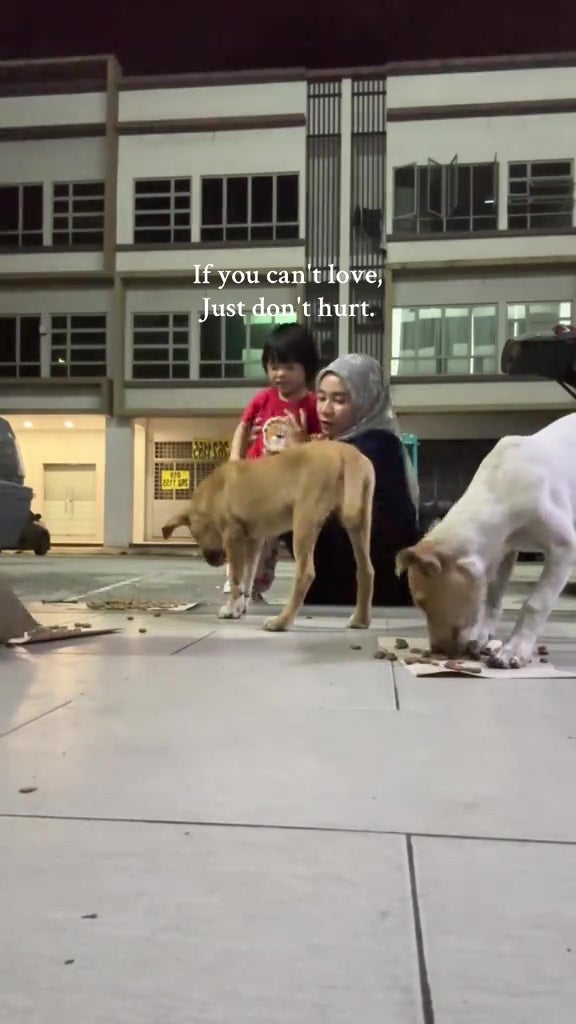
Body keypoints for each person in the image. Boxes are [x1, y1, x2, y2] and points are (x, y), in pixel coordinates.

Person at [302, 353, 420, 606]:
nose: (325, 409)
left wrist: (297, 462)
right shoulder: (351, 445)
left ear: (366, 401)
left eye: (340, 400)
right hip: (348, 591)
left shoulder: (375, 447)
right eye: (321, 398)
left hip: (365, 595)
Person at [224, 322, 321, 600]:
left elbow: (320, 442)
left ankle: (255, 586)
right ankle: (237, 582)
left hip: (287, 489)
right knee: (242, 532)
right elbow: (242, 427)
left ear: (307, 368)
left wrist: (305, 440)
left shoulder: (313, 405)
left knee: (268, 542)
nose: (279, 374)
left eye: (289, 367)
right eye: (273, 366)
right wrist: (235, 459)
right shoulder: (263, 398)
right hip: (256, 480)